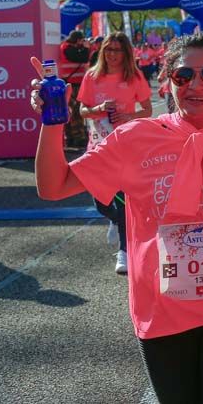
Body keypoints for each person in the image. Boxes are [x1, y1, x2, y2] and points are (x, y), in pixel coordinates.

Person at [31, 33, 203, 404]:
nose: (197, 85)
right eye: (184, 75)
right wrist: (53, 120)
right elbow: (53, 186)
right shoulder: (136, 138)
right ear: (168, 80)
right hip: (163, 310)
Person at [77, 32, 153, 274]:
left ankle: (124, 252)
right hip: (98, 144)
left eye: (117, 50)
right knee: (100, 201)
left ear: (126, 53)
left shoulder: (134, 76)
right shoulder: (92, 76)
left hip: (125, 146)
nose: (112, 54)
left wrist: (128, 115)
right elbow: (82, 110)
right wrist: (98, 108)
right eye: (108, 49)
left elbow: (147, 110)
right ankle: (113, 218)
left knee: (123, 199)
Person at [59, 30, 91, 149]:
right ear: (77, 40)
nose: (82, 43)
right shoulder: (67, 48)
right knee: (76, 112)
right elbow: (83, 58)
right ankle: (78, 137)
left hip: (75, 84)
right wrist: (86, 48)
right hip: (72, 85)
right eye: (81, 41)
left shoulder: (71, 48)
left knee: (74, 111)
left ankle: (72, 137)